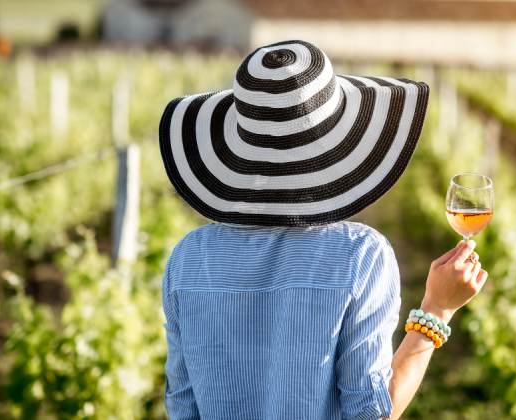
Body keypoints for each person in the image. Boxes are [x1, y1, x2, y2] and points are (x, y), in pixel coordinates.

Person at [159, 40, 488, 420]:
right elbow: (372, 414)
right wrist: (436, 311)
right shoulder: (361, 254)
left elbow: (182, 409)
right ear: (339, 145)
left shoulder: (187, 257)